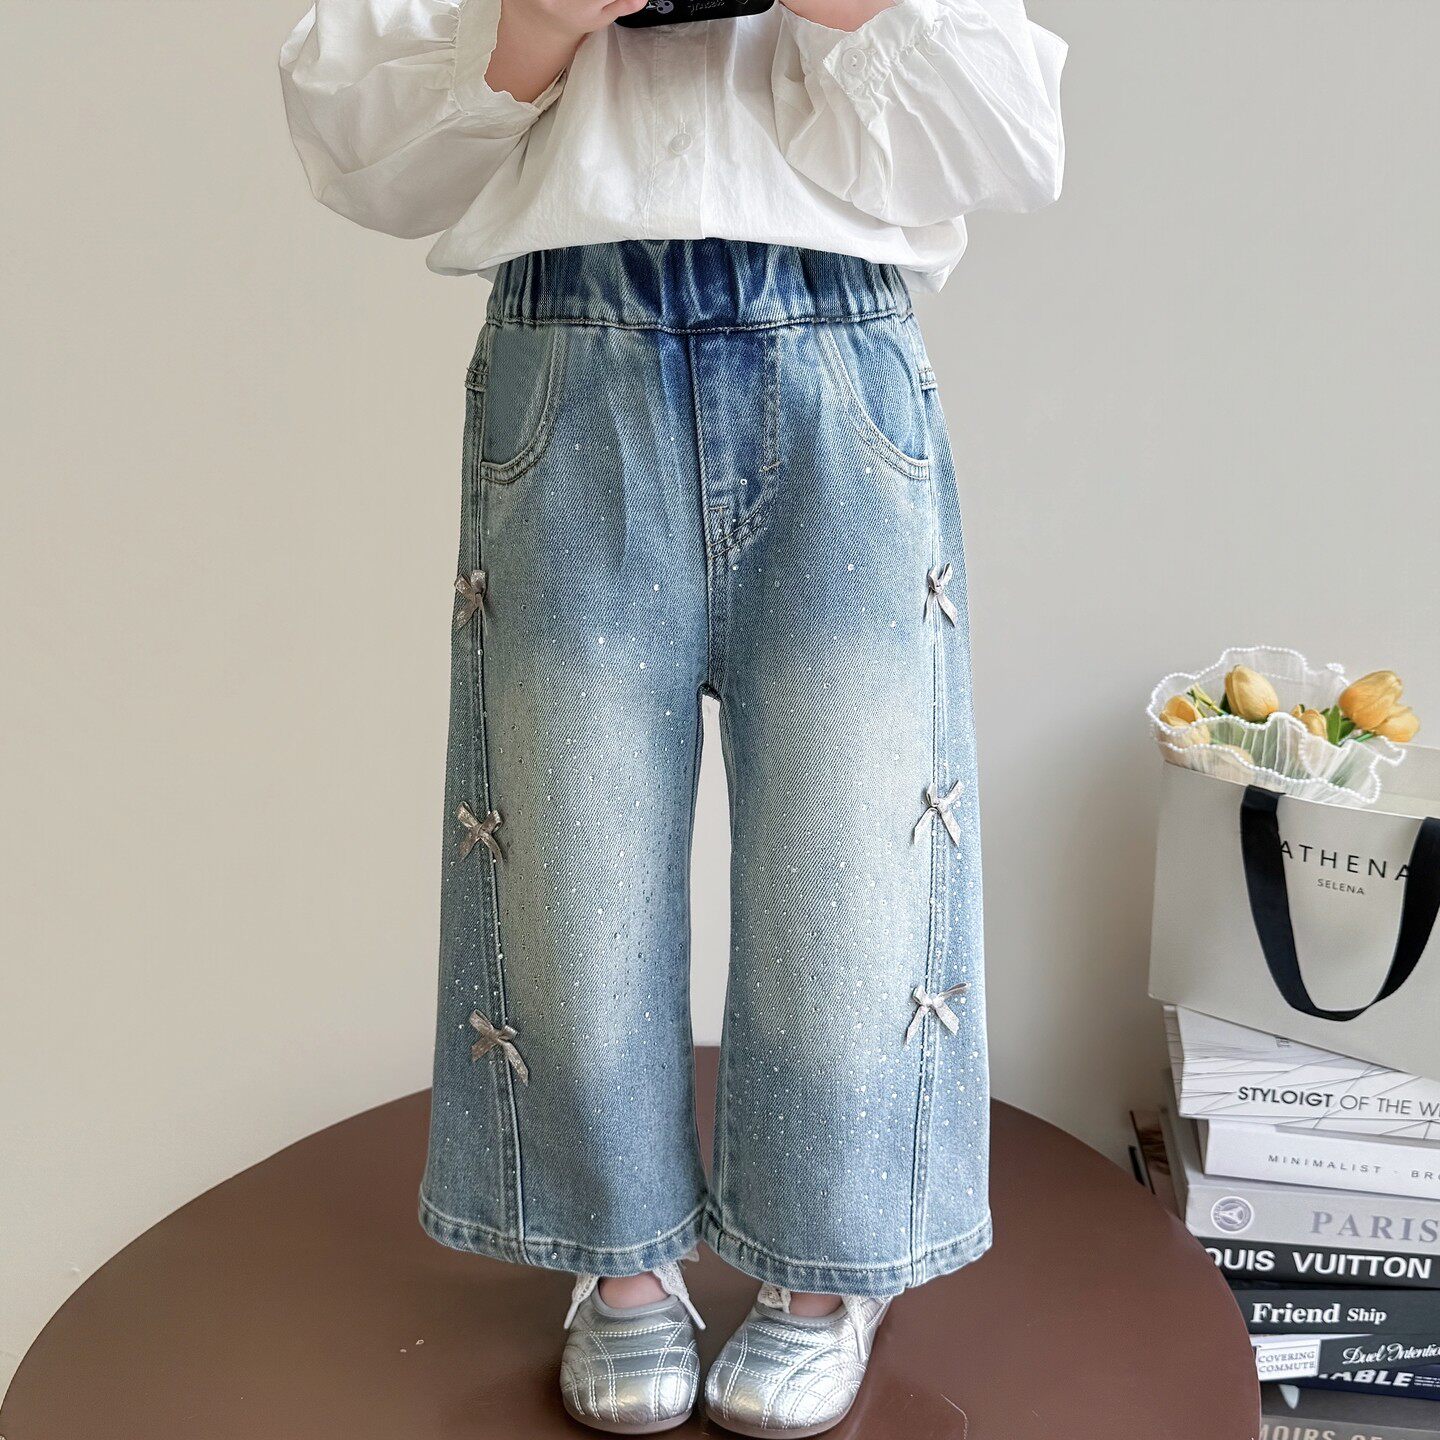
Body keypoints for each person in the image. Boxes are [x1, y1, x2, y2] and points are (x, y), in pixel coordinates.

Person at [279, 0, 1064, 1431]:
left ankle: (827, 1272)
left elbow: (1010, 138)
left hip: (836, 358)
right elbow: (353, 141)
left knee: (852, 871)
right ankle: (620, 1261)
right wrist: (534, 22)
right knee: (570, 859)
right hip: (572, 364)